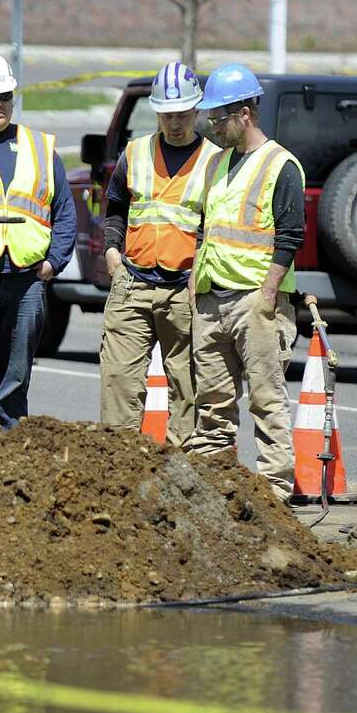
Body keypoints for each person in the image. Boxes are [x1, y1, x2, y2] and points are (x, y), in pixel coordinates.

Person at [186, 63, 304, 501]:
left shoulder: (280, 165)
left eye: (219, 118)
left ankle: (275, 492)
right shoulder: (217, 163)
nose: (213, 127)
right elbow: (207, 226)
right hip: (212, 297)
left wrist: (269, 296)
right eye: (211, 118)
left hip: (256, 299)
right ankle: (214, 491)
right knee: (213, 403)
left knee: (266, 400)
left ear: (245, 114)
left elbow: (291, 235)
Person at [99, 61, 221, 446]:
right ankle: (119, 470)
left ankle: (180, 468)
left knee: (187, 386)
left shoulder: (215, 161)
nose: (175, 123)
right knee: (119, 381)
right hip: (132, 283)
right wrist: (112, 253)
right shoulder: (134, 153)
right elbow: (115, 205)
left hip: (184, 291)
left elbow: (213, 225)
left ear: (197, 110)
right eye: (167, 115)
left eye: (183, 114)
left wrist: (198, 275)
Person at [0, 52, 77, 428]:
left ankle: (8, 438)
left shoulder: (40, 148)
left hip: (27, 280)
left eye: (4, 96)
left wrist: (54, 262)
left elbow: (64, 212)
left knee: (15, 372)